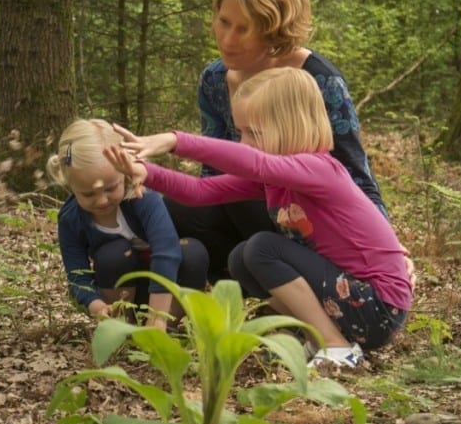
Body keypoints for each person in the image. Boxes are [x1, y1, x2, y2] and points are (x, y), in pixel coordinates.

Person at [104, 68, 412, 368]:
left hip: (378, 305)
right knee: (241, 258)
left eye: (254, 132)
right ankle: (317, 340)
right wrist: (146, 172)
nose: (243, 143)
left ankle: (337, 347)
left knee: (263, 247)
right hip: (350, 301)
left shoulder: (320, 169)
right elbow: (200, 192)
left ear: (290, 125)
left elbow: (256, 163)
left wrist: (175, 141)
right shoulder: (275, 180)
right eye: (241, 132)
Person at [167, 0, 388, 281]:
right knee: (169, 206)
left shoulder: (321, 81)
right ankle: (231, 287)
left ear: (274, 29)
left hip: (309, 228)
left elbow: (356, 178)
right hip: (242, 219)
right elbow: (212, 174)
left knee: (246, 186)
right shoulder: (214, 80)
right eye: (224, 22)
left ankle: (293, 287)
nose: (227, 39)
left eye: (244, 29)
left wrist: (388, 251)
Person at [46, 119, 209, 330]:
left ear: (125, 171)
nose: (102, 200)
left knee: (193, 251)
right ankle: (124, 326)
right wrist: (95, 305)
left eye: (111, 188)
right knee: (113, 254)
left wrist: (157, 315)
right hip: (122, 292)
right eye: (88, 194)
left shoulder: (142, 195)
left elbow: (166, 250)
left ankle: (168, 325)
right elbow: (77, 276)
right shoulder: (71, 219)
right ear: (71, 185)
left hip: (165, 287)